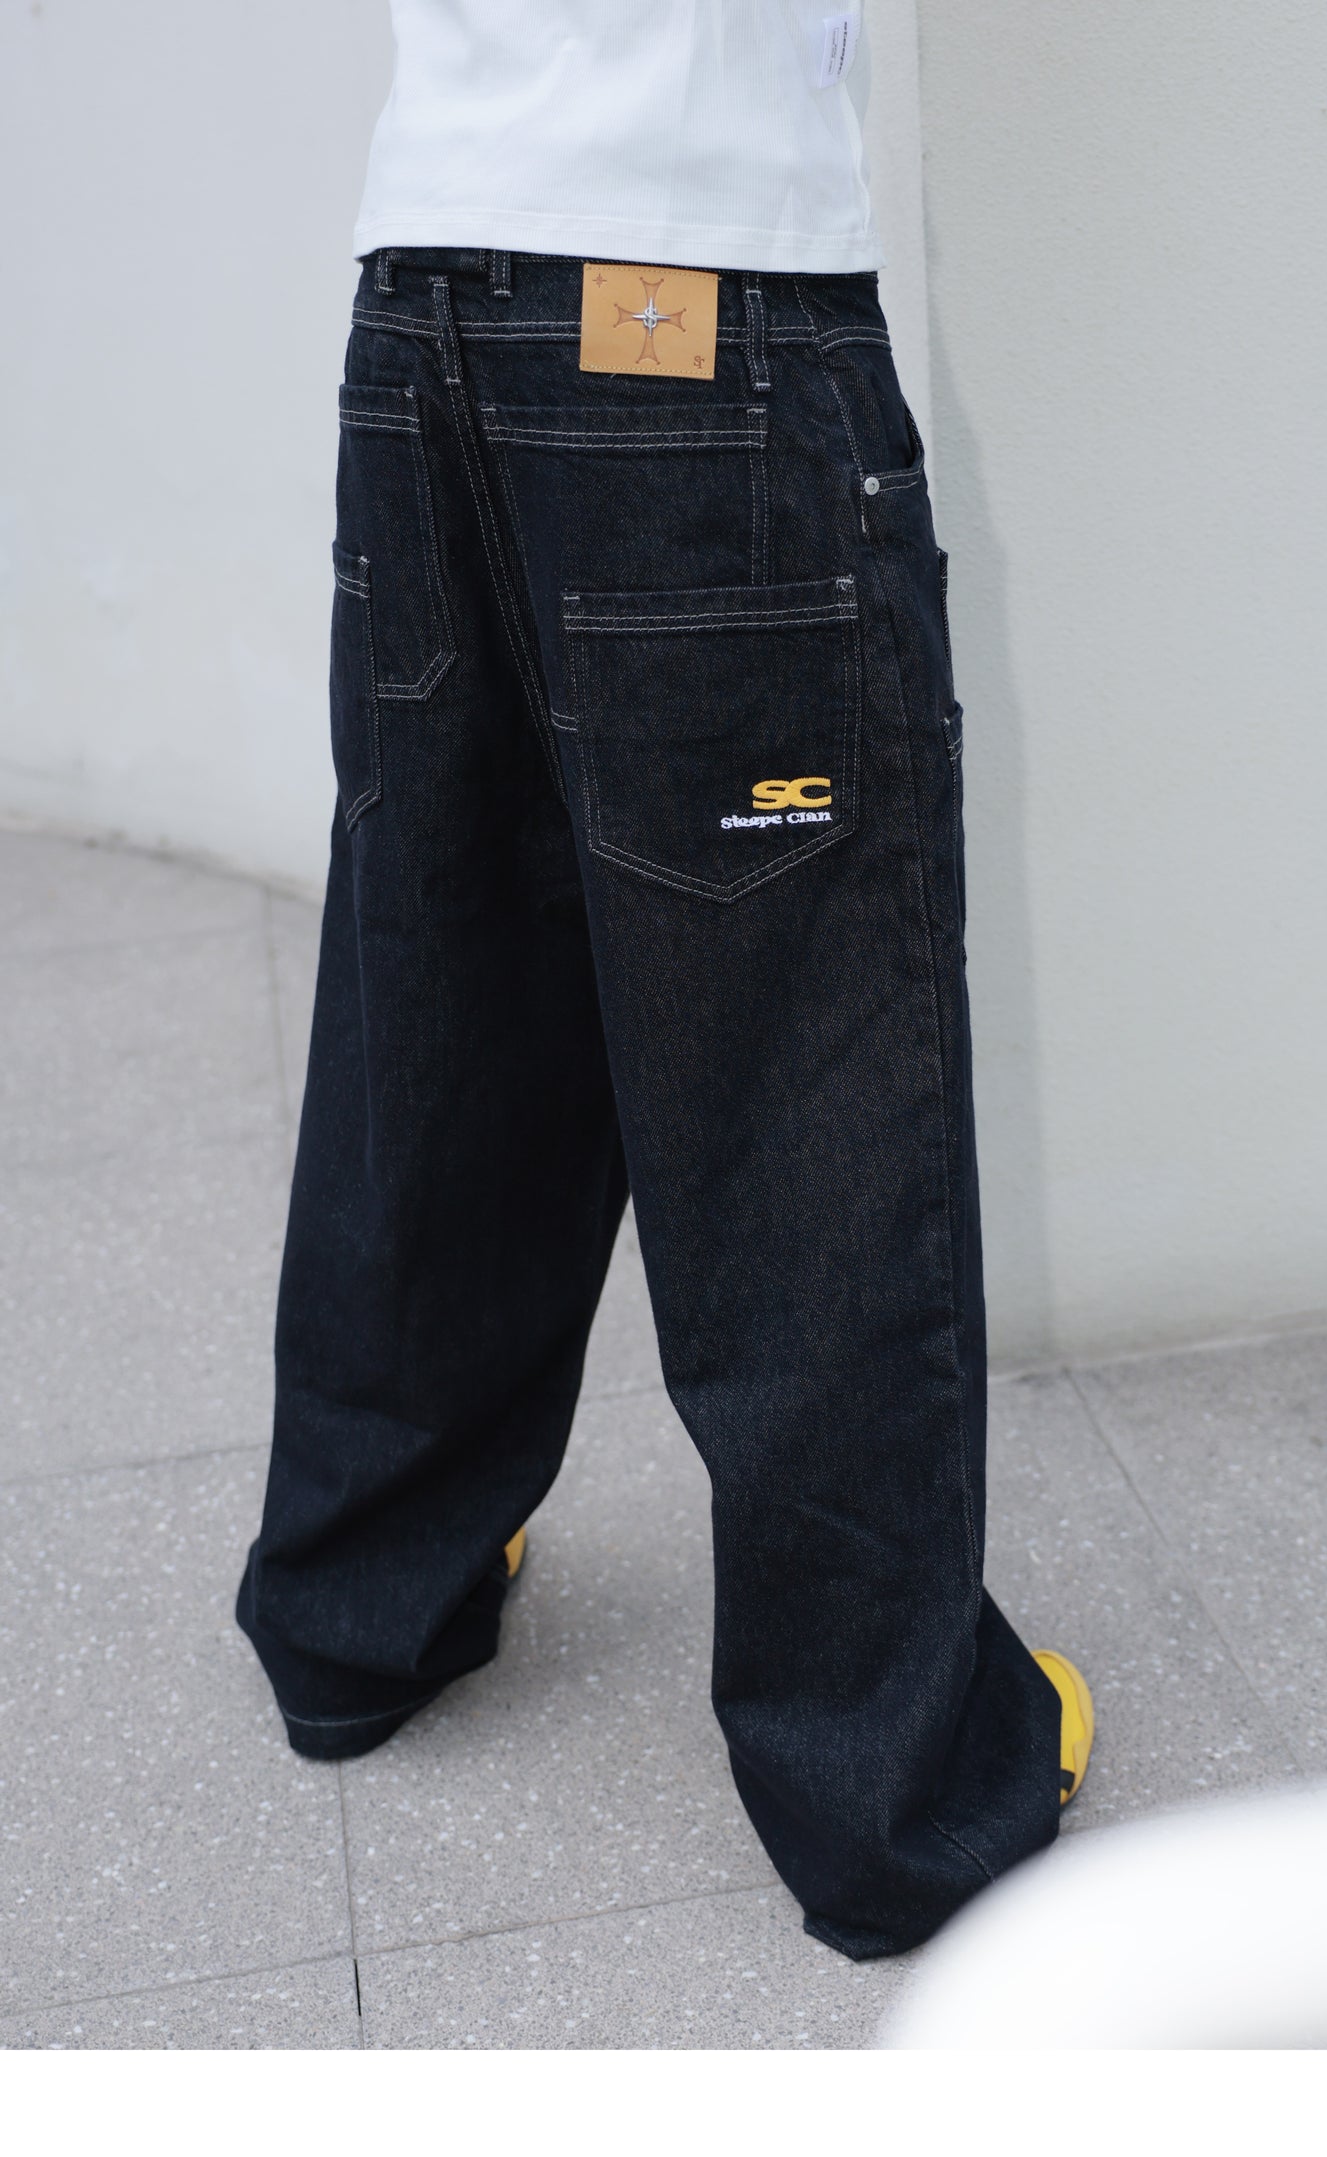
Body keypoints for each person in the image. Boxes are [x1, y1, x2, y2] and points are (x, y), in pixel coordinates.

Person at [236, 0, 1092, 1963]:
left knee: (443, 983)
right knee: (802, 1067)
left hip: (423, 295)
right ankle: (895, 1792)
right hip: (702, 294)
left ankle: (361, 1604)